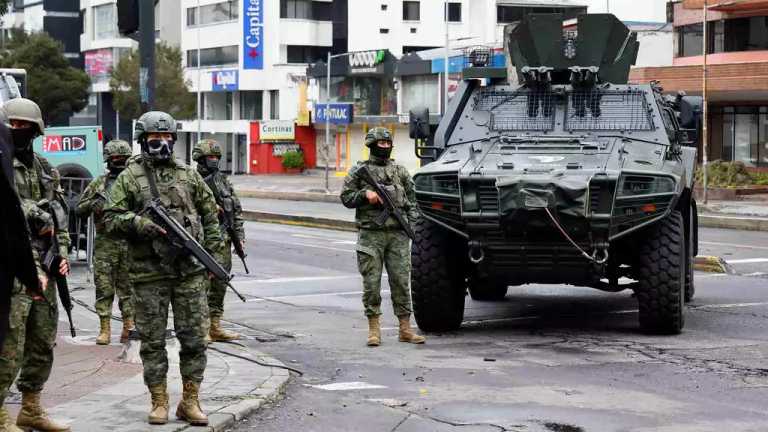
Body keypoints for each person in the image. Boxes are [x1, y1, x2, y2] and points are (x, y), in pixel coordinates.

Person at [103, 111, 222, 426]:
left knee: (195, 339)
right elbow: (110, 218)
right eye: (155, 139)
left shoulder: (188, 175)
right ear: (143, 141)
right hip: (149, 275)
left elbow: (210, 217)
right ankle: (159, 401)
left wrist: (211, 257)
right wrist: (140, 223)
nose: (162, 143)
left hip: (190, 273)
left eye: (167, 137)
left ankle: (191, 400)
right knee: (153, 342)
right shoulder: (130, 177)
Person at [0, 98, 71, 432]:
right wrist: (31, 211)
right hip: (16, 267)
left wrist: (64, 252)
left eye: (24, 126)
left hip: (47, 263)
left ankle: (31, 407)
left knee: (43, 340)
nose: (19, 131)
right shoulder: (2, 164)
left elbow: (60, 215)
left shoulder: (43, 167)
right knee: (9, 342)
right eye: (12, 125)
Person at [340, 127, 425, 347]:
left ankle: (405, 328)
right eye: (381, 143)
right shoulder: (360, 171)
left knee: (401, 281)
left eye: (388, 143)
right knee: (371, 283)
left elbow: (413, 201)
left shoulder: (400, 171)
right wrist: (365, 195)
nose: (385, 147)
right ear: (371, 145)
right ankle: (374, 330)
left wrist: (412, 225)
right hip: (371, 235)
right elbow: (346, 197)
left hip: (397, 234)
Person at [76, 140, 135, 345]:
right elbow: (79, 209)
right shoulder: (99, 183)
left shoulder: (134, 182)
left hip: (130, 242)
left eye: (122, 158)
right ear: (108, 160)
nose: (118, 161)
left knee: (129, 288)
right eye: (114, 158)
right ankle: (105, 328)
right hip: (105, 244)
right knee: (103, 287)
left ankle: (129, 326)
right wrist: (94, 203)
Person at [191, 139, 243, 343]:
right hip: (202, 241)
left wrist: (239, 236)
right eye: (209, 157)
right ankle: (201, 328)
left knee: (220, 284)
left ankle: (215, 325)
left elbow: (236, 209)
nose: (213, 160)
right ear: (200, 158)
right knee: (201, 285)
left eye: (216, 157)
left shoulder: (222, 180)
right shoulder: (191, 179)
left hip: (224, 241)